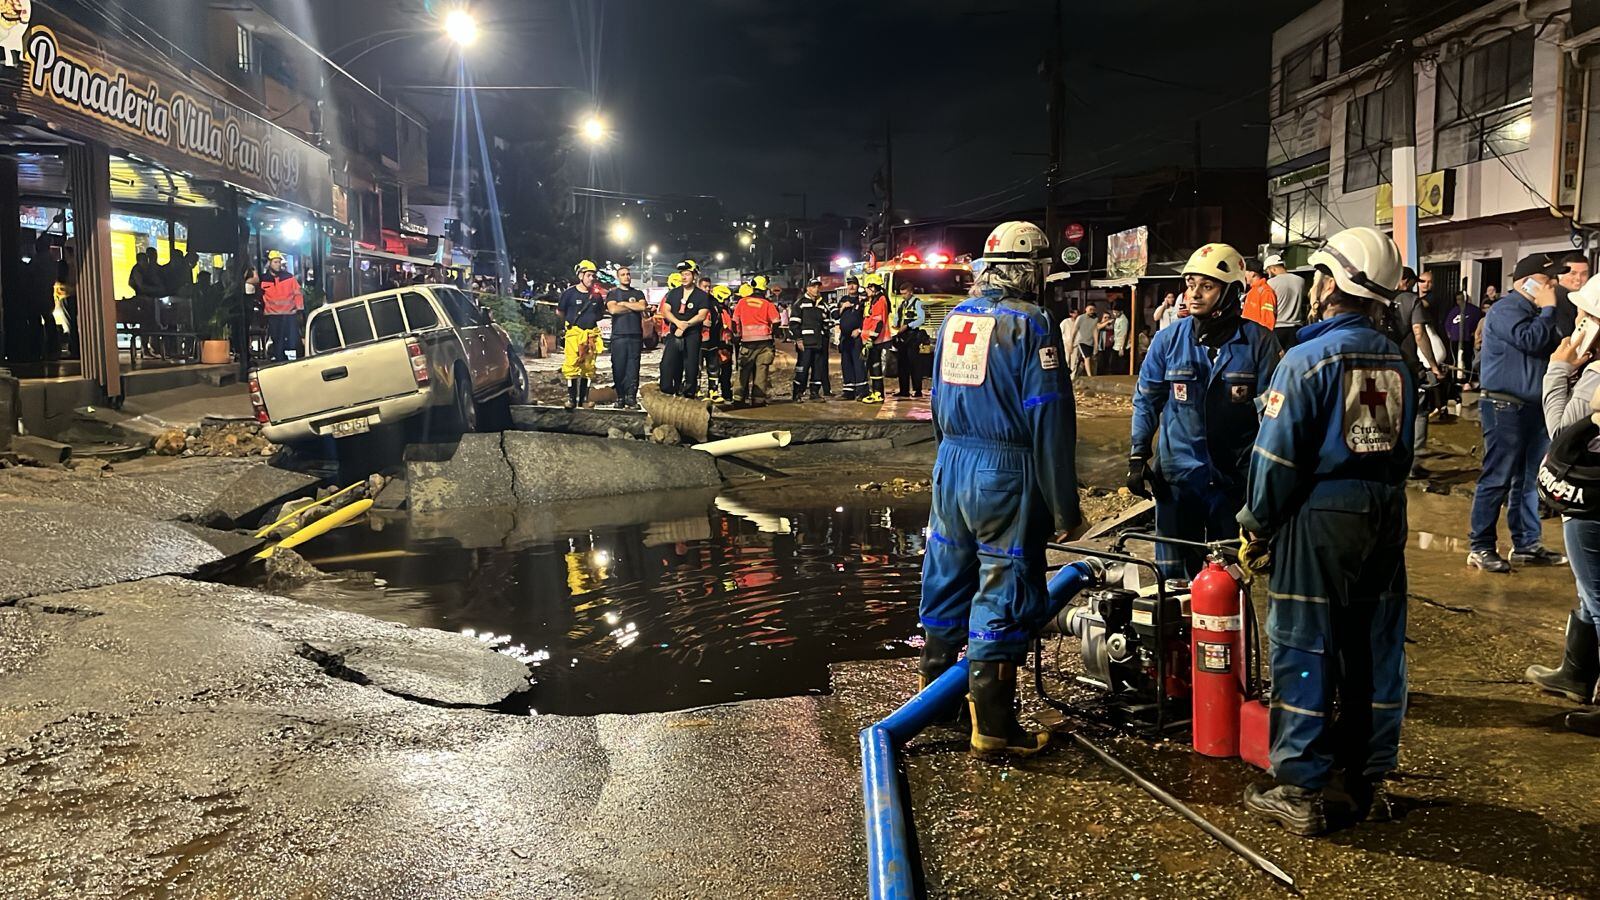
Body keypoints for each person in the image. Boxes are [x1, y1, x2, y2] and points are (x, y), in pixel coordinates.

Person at [1236, 225, 1412, 837]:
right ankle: (1364, 771)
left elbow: (1277, 458)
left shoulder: (1305, 359)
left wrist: (1256, 525)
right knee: (1371, 641)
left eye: (1317, 276)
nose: (1312, 287)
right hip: (1383, 510)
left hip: (1321, 513)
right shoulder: (1394, 356)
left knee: (1305, 642)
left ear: (1332, 283)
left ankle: (1301, 787)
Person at [917, 220, 1080, 760]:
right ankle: (992, 726)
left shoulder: (956, 318)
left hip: (951, 465)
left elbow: (939, 400)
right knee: (1001, 588)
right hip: (1003, 471)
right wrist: (1063, 506)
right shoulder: (1033, 324)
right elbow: (1049, 419)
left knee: (945, 577)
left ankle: (934, 708)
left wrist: (949, 460)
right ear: (1029, 269)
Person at [1128, 242, 1279, 582]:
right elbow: (1147, 399)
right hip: (1178, 482)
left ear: (1230, 293)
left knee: (1230, 582)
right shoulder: (1167, 341)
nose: (1193, 294)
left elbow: (1273, 415)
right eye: (1190, 284)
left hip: (1233, 485)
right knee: (1173, 583)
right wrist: (1138, 455)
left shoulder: (1260, 343)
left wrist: (1267, 482)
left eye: (1206, 286)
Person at [1528, 279, 1600, 729]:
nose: (1578, 322)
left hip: (1591, 502)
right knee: (1589, 593)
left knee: (1597, 593)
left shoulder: (1595, 378)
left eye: (1587, 317)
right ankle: (1576, 672)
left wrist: (1558, 371)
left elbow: (1560, 434)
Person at [1468, 253, 1569, 573]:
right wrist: (1551, 308)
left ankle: (1526, 544)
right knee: (1496, 478)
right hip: (1504, 406)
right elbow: (1531, 339)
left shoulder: (1537, 312)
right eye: (1547, 278)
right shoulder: (1507, 309)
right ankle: (1481, 546)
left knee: (1527, 481)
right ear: (1526, 281)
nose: (1552, 284)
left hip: (1531, 407)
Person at [558, 259, 607, 409]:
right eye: (588, 275)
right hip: (574, 335)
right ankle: (572, 399)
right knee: (571, 365)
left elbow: (599, 314)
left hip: (591, 335)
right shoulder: (569, 294)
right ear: (581, 276)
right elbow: (560, 312)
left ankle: (584, 400)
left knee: (588, 366)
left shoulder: (597, 296)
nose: (591, 278)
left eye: (593, 276)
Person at [659, 260, 710, 398]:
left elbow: (702, 315)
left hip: (692, 335)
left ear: (694, 276)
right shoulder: (673, 293)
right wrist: (678, 323)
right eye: (682, 274)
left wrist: (686, 324)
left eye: (687, 274)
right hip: (675, 333)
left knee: (691, 366)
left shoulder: (701, 296)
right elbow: (666, 310)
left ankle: (689, 393)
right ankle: (668, 391)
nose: (684, 277)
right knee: (667, 364)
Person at [732, 278, 781, 406]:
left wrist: (737, 335)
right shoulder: (767, 304)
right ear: (764, 289)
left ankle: (738, 398)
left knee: (743, 370)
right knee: (761, 371)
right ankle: (758, 400)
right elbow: (776, 322)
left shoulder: (742, 302)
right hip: (765, 342)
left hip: (747, 342)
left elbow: (734, 321)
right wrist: (773, 334)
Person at [605, 264, 648, 409]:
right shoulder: (613, 294)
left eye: (628, 274)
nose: (626, 277)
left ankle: (631, 398)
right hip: (619, 336)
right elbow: (613, 309)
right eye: (623, 274)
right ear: (618, 277)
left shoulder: (638, 293)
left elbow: (642, 307)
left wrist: (623, 304)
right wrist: (631, 307)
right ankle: (620, 397)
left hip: (635, 335)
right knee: (618, 367)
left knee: (633, 368)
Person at [260, 250, 304, 362]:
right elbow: (260, 297)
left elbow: (297, 293)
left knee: (294, 340)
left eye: (279, 262)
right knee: (277, 340)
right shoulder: (263, 279)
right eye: (275, 262)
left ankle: (298, 360)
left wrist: (299, 310)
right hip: (273, 315)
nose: (278, 264)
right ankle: (280, 360)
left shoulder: (289, 277)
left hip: (289, 315)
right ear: (269, 263)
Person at [791, 277, 829, 401]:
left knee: (817, 369)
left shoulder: (822, 304)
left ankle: (814, 393)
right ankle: (797, 393)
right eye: (813, 286)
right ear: (808, 288)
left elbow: (826, 321)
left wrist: (826, 334)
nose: (816, 289)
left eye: (818, 286)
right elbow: (794, 323)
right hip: (805, 344)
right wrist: (798, 339)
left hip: (818, 343)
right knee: (802, 369)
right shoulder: (800, 303)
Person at [891, 279, 928, 398]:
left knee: (914, 364)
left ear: (911, 292)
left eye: (905, 293)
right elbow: (897, 317)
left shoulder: (917, 303)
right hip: (902, 337)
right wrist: (896, 325)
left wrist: (908, 326)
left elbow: (921, 319)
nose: (903, 296)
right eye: (901, 293)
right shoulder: (902, 304)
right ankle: (904, 390)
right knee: (902, 365)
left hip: (913, 336)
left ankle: (917, 390)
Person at [1264, 254, 1307, 349]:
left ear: (1272, 269)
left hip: (1277, 328)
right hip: (1296, 328)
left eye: (1268, 271)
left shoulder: (1270, 283)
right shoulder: (1301, 281)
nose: (1268, 274)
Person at [860, 276, 891, 403]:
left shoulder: (880, 301)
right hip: (873, 340)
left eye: (867, 288)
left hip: (876, 340)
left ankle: (878, 393)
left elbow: (878, 323)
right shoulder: (875, 300)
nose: (866, 291)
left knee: (875, 366)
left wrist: (870, 339)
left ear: (873, 287)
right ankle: (876, 393)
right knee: (874, 367)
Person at [696, 276, 727, 401]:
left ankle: (713, 391)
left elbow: (719, 317)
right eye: (705, 287)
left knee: (713, 367)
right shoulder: (694, 300)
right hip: (698, 340)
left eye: (709, 287)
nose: (707, 289)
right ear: (699, 286)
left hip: (713, 341)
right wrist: (701, 323)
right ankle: (696, 390)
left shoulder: (713, 302)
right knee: (696, 367)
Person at [704, 284, 735, 403]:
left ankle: (725, 392)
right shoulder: (716, 309)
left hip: (725, 343)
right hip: (719, 343)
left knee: (725, 370)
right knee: (716, 369)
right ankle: (715, 391)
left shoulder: (725, 310)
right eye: (727, 298)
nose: (728, 301)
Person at [837, 278, 867, 400]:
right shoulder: (843, 300)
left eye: (854, 284)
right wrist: (842, 307)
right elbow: (834, 315)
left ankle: (862, 391)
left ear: (858, 285)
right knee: (846, 364)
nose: (851, 287)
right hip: (845, 338)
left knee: (859, 364)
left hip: (857, 338)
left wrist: (860, 330)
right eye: (849, 284)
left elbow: (867, 318)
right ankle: (848, 391)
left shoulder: (863, 300)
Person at [1242, 260, 1277, 329]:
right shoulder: (1252, 291)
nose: (1243, 275)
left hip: (1256, 336)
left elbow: (1268, 321)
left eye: (1244, 272)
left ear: (1252, 274)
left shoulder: (1266, 292)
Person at [1073, 301, 1098, 377]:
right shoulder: (1080, 318)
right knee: (1087, 358)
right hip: (1082, 341)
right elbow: (1075, 330)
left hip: (1090, 341)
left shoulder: (1095, 319)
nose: (1092, 311)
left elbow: (1095, 331)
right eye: (1090, 309)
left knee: (1086, 359)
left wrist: (1096, 344)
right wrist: (1071, 342)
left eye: (1093, 310)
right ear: (1086, 309)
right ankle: (1090, 376)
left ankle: (1080, 373)